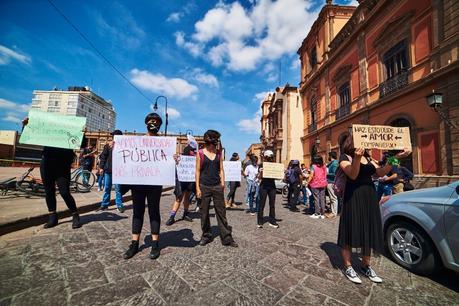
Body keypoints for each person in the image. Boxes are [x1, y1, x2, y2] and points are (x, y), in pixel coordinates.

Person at [337, 133, 411, 284]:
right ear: (355, 142)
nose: (368, 143)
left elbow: (382, 172)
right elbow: (352, 175)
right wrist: (357, 158)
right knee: (351, 227)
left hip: (370, 196)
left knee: (369, 228)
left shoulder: (369, 158)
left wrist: (397, 157)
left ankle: (366, 265)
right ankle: (348, 265)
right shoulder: (344, 157)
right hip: (353, 196)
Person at [22, 118, 81, 229]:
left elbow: (80, 143)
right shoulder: (47, 131)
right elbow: (31, 136)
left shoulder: (69, 132)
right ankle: (52, 216)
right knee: (49, 192)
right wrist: (26, 126)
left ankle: (75, 215)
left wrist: (82, 133)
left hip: (62, 166)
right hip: (47, 164)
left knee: (64, 192)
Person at [123, 113, 164, 260]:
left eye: (157, 121)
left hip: (154, 184)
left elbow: (166, 164)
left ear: (159, 125)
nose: (154, 123)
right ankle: (134, 243)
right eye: (151, 121)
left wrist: (174, 159)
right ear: (146, 123)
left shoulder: (164, 144)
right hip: (138, 183)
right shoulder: (137, 141)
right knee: (137, 212)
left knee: (154, 211)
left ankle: (155, 243)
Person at [196, 129, 237, 247]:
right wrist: (197, 188)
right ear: (208, 141)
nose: (215, 144)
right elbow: (197, 171)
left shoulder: (219, 153)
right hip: (204, 186)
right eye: (214, 141)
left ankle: (226, 237)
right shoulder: (200, 153)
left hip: (217, 186)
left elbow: (221, 169)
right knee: (204, 213)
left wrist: (223, 183)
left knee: (221, 212)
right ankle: (206, 235)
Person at [165, 143, 197, 226]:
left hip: (190, 181)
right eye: (192, 151)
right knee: (178, 199)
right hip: (181, 181)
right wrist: (175, 159)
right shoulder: (180, 158)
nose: (194, 152)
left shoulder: (195, 159)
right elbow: (173, 163)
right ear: (188, 151)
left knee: (187, 198)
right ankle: (172, 216)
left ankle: (185, 214)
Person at [98, 130, 125, 213]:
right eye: (112, 136)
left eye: (114, 136)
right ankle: (104, 204)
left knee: (118, 189)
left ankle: (119, 205)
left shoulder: (124, 146)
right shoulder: (107, 146)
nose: (112, 137)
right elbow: (103, 157)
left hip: (118, 171)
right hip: (108, 170)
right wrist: (101, 167)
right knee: (107, 188)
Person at [256, 150, 279, 228]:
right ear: (265, 157)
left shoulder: (275, 165)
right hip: (264, 186)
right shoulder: (261, 165)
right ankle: (260, 221)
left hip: (272, 186)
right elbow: (259, 177)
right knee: (261, 204)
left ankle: (272, 221)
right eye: (269, 157)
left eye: (271, 157)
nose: (270, 158)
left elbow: (277, 176)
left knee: (272, 204)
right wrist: (261, 172)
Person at [326, 151, 339, 218]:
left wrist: (326, 174)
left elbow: (334, 173)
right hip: (330, 181)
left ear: (331, 156)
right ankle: (333, 211)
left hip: (332, 182)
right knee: (332, 198)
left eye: (329, 156)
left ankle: (334, 213)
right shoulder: (332, 163)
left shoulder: (334, 164)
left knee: (333, 198)